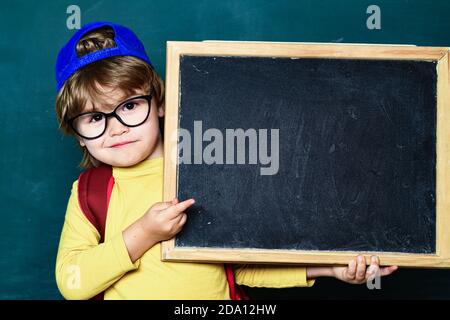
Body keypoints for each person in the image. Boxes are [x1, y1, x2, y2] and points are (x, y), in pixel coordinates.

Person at [54, 21, 397, 300]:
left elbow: (241, 264)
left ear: (159, 102)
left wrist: (328, 268)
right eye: (94, 118)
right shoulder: (90, 192)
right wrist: (143, 233)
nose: (115, 128)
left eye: (129, 106)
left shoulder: (206, 170)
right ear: (78, 133)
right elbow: (73, 282)